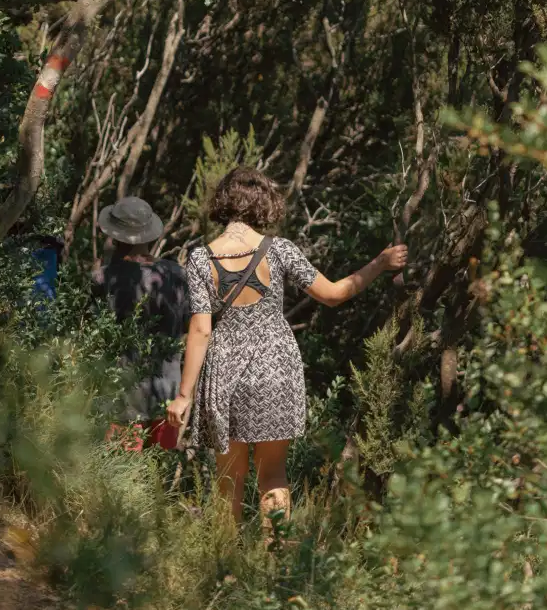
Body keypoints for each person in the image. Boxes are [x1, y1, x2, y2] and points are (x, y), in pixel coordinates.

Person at [167, 166, 408, 530]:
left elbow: (200, 330)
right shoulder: (279, 251)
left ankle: (223, 568)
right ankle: (273, 564)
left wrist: (184, 395)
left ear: (224, 203)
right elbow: (333, 295)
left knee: (228, 480)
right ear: (264, 204)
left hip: (226, 373)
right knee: (273, 475)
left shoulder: (202, 258)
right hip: (276, 370)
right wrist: (380, 263)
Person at [92, 196, 190, 447]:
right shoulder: (177, 275)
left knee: (122, 476)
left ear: (114, 237)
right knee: (156, 475)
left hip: (121, 399)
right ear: (150, 236)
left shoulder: (103, 279)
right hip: (167, 395)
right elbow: (190, 325)